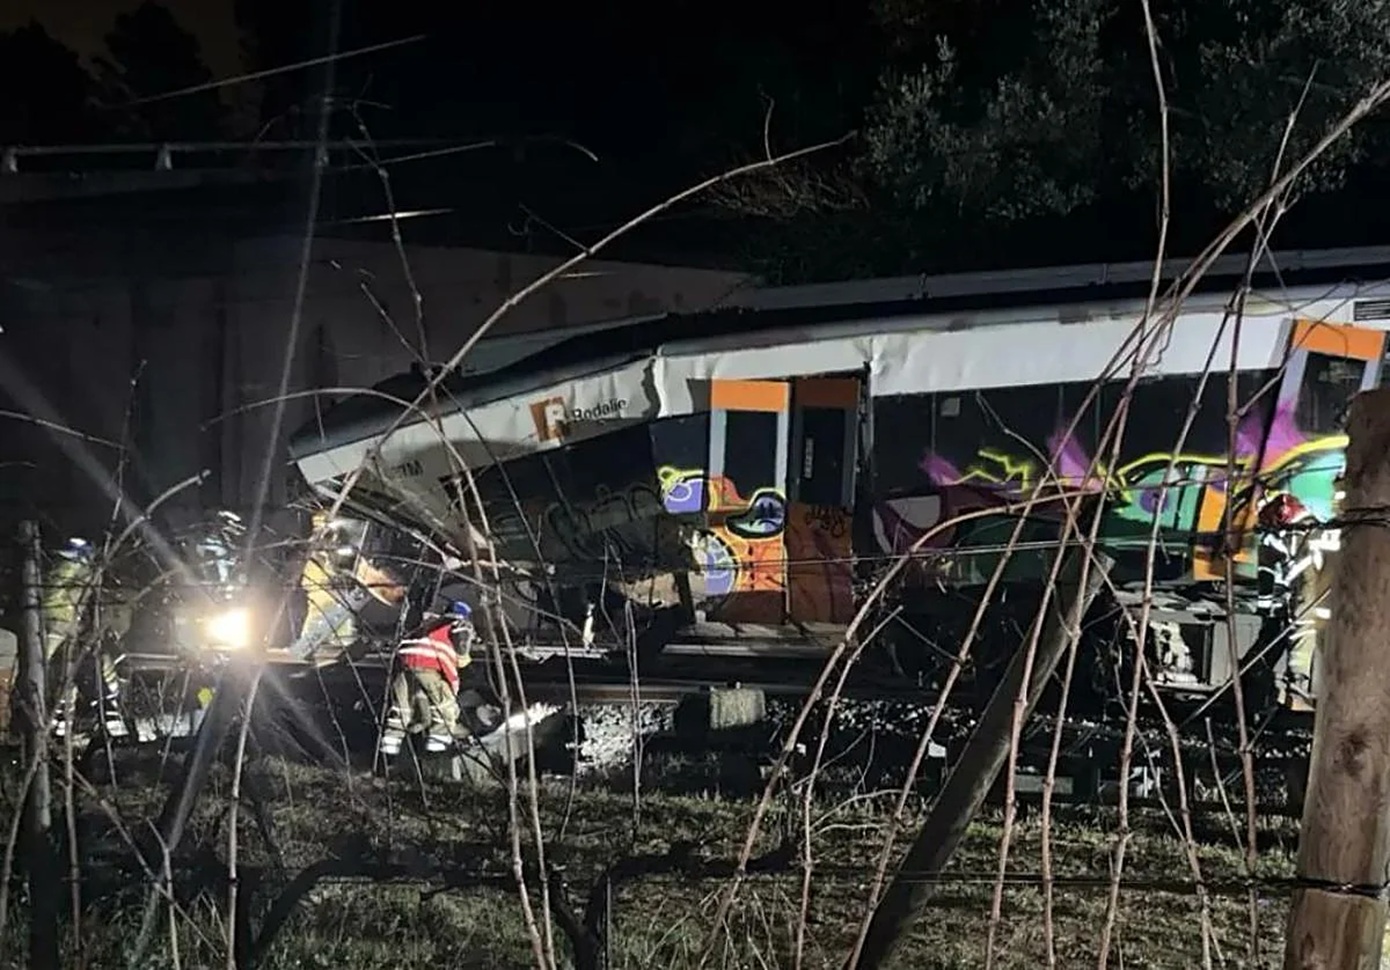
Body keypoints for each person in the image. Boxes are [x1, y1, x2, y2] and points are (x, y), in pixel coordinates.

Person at [42, 537, 128, 738]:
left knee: (73, 671)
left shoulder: (82, 575)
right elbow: (54, 595)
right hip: (57, 627)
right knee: (60, 673)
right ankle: (57, 725)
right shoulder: (64, 573)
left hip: (69, 629)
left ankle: (62, 726)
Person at [379, 599, 477, 756]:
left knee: (402, 706)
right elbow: (461, 643)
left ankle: (391, 740)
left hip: (405, 663)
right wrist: (464, 661)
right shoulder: (458, 624)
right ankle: (438, 740)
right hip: (428, 663)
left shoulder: (428, 622)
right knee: (444, 703)